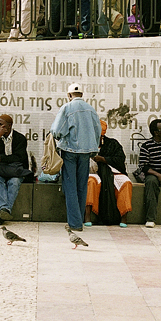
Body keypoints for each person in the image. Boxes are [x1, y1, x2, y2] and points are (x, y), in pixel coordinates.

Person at [51, 83, 101, 231]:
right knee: (81, 186)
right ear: (82, 95)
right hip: (86, 152)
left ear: (69, 95)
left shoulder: (67, 108)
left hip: (70, 151)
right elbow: (98, 131)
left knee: (70, 186)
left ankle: (75, 223)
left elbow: (57, 130)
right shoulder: (91, 109)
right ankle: (78, 220)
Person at [84, 120, 133, 227]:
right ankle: (87, 215)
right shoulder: (85, 144)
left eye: (101, 136)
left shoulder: (112, 143)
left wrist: (103, 159)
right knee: (91, 182)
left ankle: (124, 217)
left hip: (112, 173)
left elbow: (120, 159)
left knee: (126, 183)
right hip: (94, 173)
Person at [0, 115, 32, 224]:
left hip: (15, 171)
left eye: (1, 124)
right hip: (1, 170)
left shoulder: (20, 138)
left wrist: (2, 158)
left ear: (9, 126)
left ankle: (2, 213)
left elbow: (19, 157)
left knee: (14, 182)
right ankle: (4, 210)